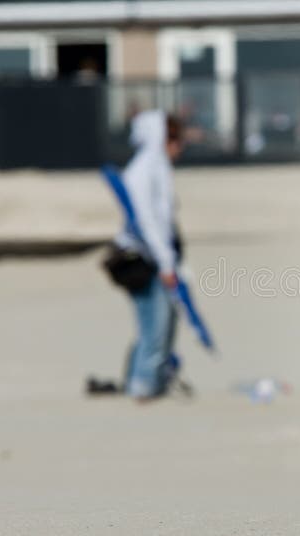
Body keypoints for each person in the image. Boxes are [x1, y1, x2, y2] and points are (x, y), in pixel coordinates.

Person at [114, 110, 184, 400]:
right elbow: (146, 221)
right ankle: (142, 384)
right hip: (143, 258)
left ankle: (151, 379)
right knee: (154, 322)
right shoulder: (143, 169)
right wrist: (166, 262)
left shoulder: (156, 167)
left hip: (157, 255)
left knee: (163, 319)